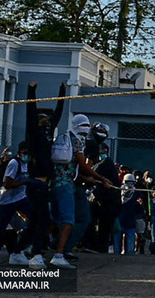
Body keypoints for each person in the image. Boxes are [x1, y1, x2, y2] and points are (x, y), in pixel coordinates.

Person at [50, 113, 112, 268]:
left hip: (58, 182)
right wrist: (101, 179)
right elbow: (84, 166)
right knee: (69, 220)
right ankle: (59, 252)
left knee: (57, 219)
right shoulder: (78, 142)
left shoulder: (65, 138)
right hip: (67, 184)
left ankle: (44, 248)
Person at [19, 81, 66, 269]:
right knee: (43, 220)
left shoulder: (48, 135)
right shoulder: (33, 134)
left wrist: (62, 92)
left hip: (43, 185)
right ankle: (36, 255)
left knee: (35, 222)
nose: (47, 121)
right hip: (35, 183)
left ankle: (16, 252)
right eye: (43, 120)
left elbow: (58, 114)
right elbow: (30, 112)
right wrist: (31, 91)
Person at [0, 142, 30, 263]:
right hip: (7, 200)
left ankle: (22, 249)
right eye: (25, 153)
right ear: (20, 152)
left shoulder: (27, 164)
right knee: (1, 228)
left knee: (35, 219)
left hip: (21, 197)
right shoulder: (14, 163)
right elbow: (8, 184)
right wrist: (25, 182)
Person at [91, 142, 121, 254]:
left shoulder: (105, 163)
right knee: (105, 229)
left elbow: (93, 172)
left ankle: (99, 248)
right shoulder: (109, 164)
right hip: (109, 201)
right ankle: (102, 248)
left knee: (103, 228)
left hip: (105, 201)